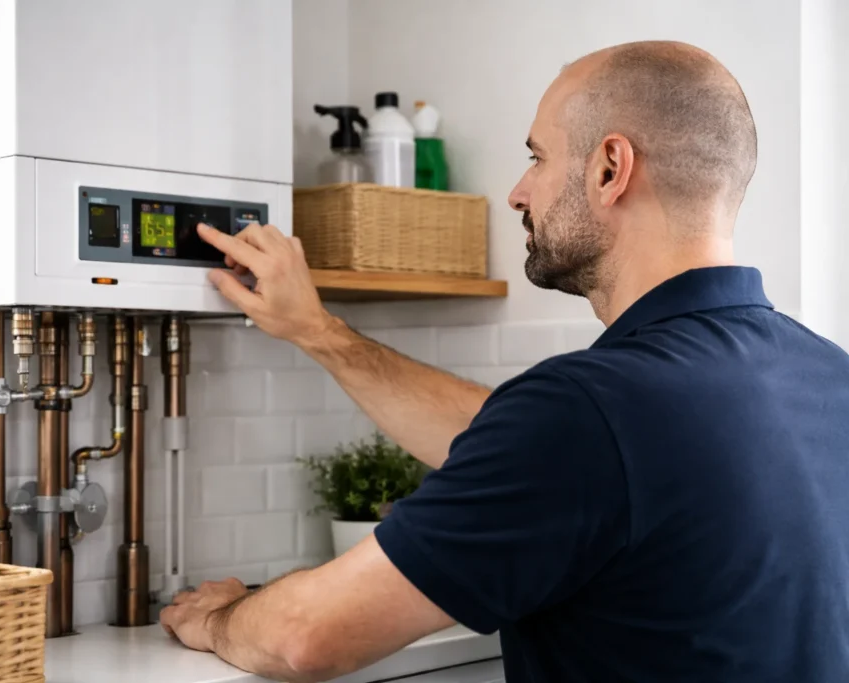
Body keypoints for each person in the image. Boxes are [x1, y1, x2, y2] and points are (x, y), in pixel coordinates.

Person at [159, 39, 849, 683]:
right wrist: (319, 331)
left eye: (537, 157)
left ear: (611, 168)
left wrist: (217, 616)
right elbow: (542, 449)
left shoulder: (589, 411)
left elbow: (304, 634)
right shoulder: (826, 376)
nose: (519, 192)